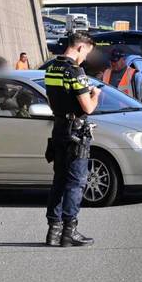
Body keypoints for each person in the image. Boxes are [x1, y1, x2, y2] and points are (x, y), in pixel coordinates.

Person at [43, 32, 101, 247]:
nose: (85, 58)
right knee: (76, 182)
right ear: (80, 47)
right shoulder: (75, 72)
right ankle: (70, 231)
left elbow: (52, 100)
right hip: (76, 132)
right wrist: (95, 94)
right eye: (86, 53)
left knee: (59, 180)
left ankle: (53, 231)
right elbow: (88, 108)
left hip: (58, 129)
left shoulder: (51, 68)